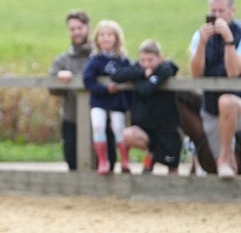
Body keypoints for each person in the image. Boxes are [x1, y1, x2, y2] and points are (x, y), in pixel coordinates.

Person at [49, 9, 114, 171]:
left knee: (107, 165)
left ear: (88, 28)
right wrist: (59, 78)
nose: (76, 32)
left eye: (80, 28)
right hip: (73, 120)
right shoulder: (63, 60)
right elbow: (51, 87)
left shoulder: (102, 57)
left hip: (102, 121)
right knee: (73, 164)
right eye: (72, 29)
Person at [188, 0, 241, 177]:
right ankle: (227, 163)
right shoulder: (200, 36)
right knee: (229, 170)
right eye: (213, 11)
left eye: (221, 11)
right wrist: (202, 44)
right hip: (211, 105)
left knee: (227, 101)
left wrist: (228, 40)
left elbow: (234, 72)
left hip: (237, 101)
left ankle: (224, 158)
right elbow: (196, 73)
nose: (217, 16)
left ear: (232, 11)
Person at [111, 39, 181, 174]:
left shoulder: (166, 69)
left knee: (173, 168)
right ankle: (150, 154)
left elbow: (145, 89)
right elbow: (116, 76)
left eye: (150, 60)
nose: (146, 64)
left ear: (160, 59)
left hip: (166, 128)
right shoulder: (139, 70)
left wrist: (147, 80)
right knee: (127, 134)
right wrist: (142, 74)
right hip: (145, 129)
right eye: (143, 60)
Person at [82, 19, 131, 175]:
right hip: (99, 99)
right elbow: (87, 80)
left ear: (117, 38)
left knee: (118, 128)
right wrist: (105, 89)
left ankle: (124, 160)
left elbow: (131, 76)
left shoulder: (123, 60)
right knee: (98, 125)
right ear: (96, 39)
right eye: (102, 35)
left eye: (109, 35)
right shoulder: (95, 60)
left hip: (117, 101)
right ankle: (103, 161)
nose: (105, 38)